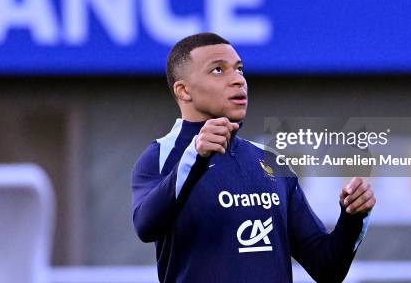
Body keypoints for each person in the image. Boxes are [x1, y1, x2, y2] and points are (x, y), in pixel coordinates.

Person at [131, 32, 375, 282]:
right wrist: (196, 156)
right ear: (183, 91)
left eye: (240, 69)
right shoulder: (160, 156)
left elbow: (327, 269)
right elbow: (145, 226)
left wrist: (353, 217)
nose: (238, 80)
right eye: (217, 70)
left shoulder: (270, 161)